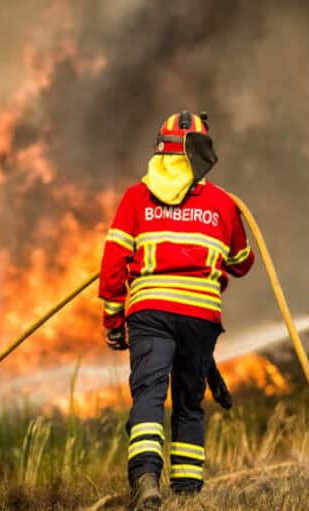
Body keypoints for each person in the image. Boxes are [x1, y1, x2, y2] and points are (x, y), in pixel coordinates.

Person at [98, 110, 254, 510]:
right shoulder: (222, 203)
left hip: (150, 312)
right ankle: (187, 493)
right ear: (203, 153)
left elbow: (114, 262)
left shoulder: (137, 197)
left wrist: (114, 322)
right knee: (188, 401)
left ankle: (147, 481)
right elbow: (242, 262)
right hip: (201, 316)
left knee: (149, 393)